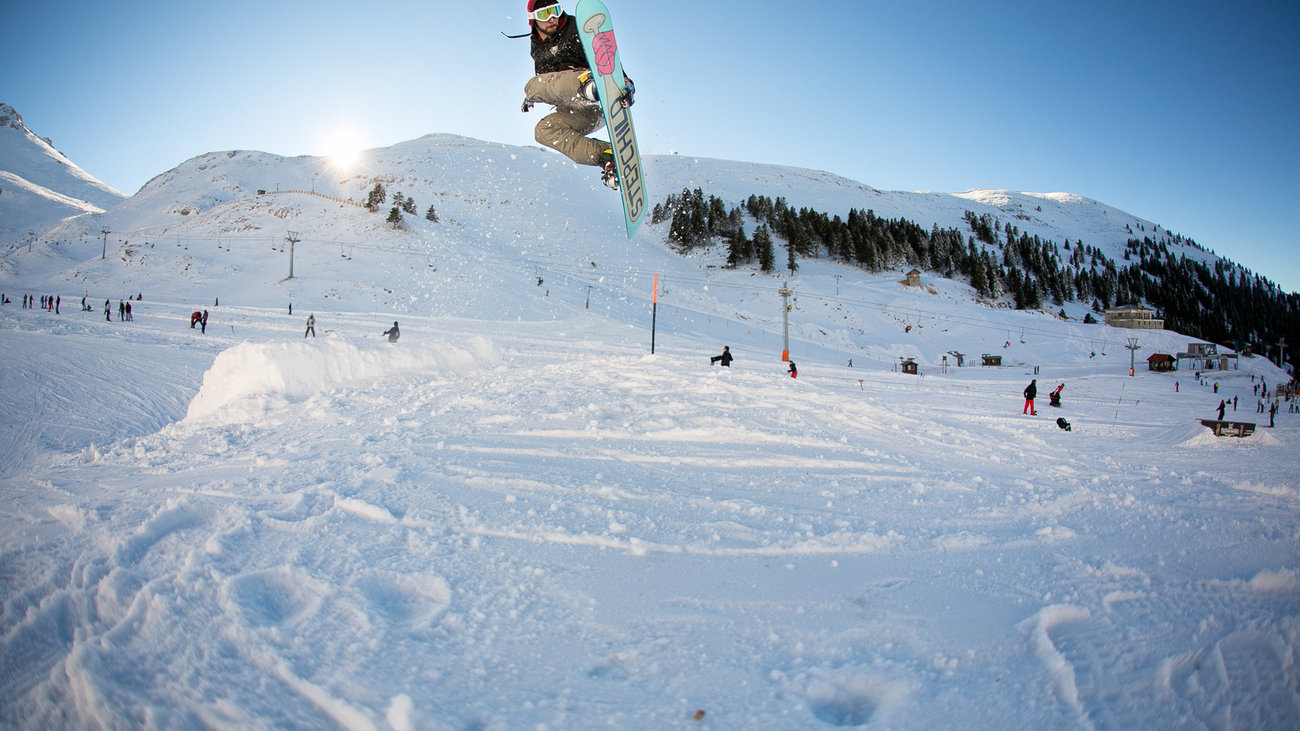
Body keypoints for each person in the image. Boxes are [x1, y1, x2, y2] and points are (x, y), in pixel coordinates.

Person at [518, 0, 634, 190]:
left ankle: (590, 87)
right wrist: (530, 99)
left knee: (532, 86)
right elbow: (550, 86)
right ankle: (607, 155)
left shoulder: (577, 29)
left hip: (596, 95)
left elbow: (609, 60)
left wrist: (626, 86)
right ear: (533, 20)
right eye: (544, 14)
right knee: (543, 130)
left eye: (555, 11)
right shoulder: (538, 50)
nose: (552, 19)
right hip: (582, 113)